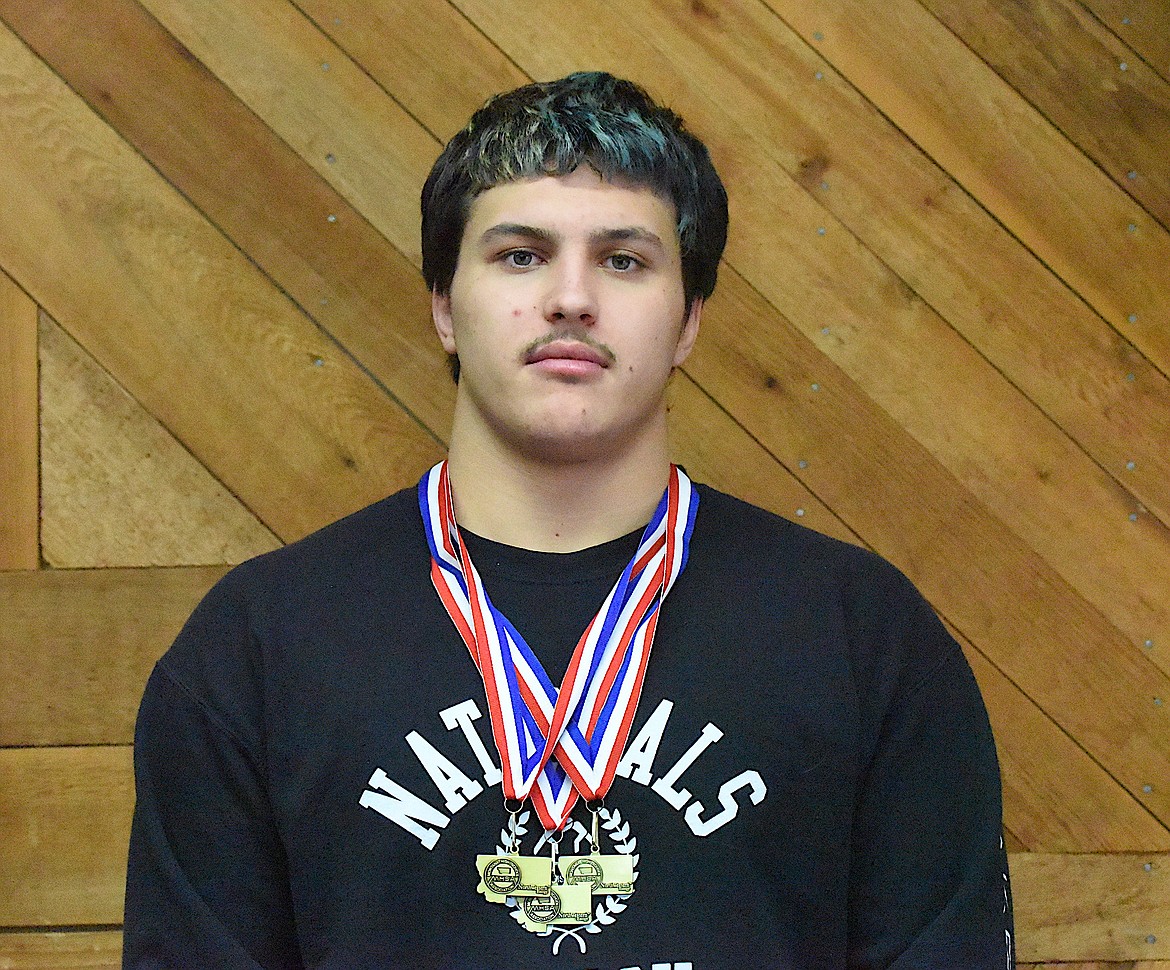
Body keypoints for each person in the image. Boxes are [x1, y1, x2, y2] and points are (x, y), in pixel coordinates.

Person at [123, 72, 1014, 969]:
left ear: (690, 321)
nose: (572, 299)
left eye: (624, 260)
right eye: (521, 255)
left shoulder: (861, 633)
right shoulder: (259, 644)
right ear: (443, 305)